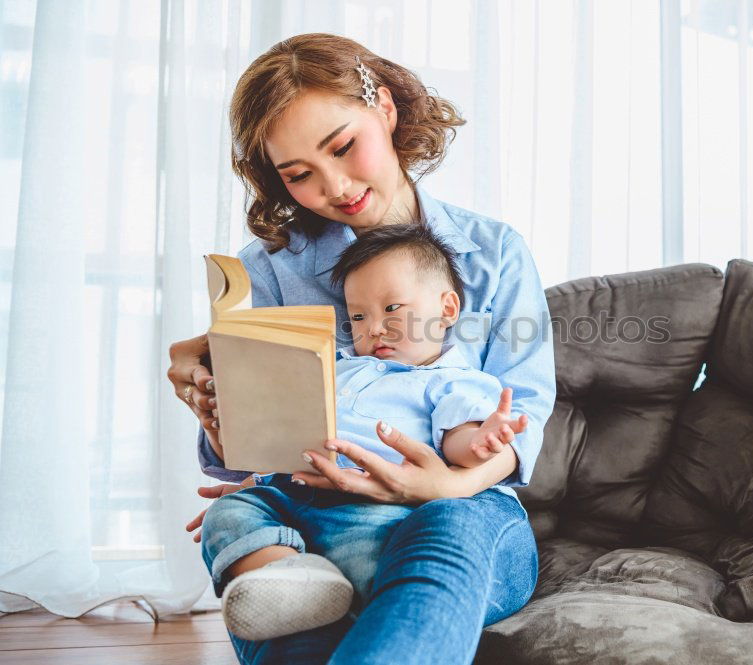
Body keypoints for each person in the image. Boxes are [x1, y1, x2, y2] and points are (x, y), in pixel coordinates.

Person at [165, 32, 556, 665]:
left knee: (446, 534)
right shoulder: (270, 271)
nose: (335, 186)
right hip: (314, 513)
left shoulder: (495, 254)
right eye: (299, 175)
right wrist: (218, 413)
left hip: (463, 509)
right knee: (258, 552)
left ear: (387, 109)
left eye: (343, 147)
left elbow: (525, 406)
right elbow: (246, 454)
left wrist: (450, 485)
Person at [202, 224, 531, 642]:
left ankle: (343, 600)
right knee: (228, 514)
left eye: (393, 308)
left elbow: (458, 442)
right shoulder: (336, 365)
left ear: (447, 308)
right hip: (290, 492)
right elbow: (287, 422)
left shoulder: (451, 379)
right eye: (358, 316)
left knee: (365, 553)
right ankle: (292, 577)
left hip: (369, 505)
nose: (374, 328)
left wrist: (483, 442)